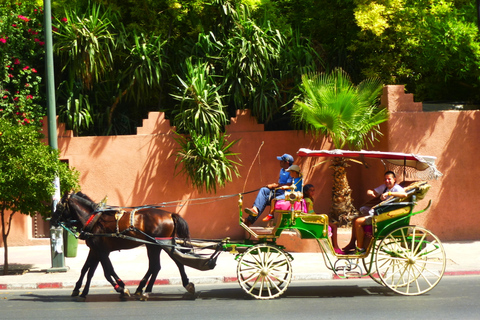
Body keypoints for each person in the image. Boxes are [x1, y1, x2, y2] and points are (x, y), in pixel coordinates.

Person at [343, 171, 407, 254]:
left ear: (394, 179)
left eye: (389, 179)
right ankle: (352, 243)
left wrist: (389, 193)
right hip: (380, 213)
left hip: (386, 215)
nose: (387, 181)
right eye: (385, 179)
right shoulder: (384, 187)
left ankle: (360, 248)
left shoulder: (397, 188)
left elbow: (404, 195)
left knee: (358, 222)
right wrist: (370, 192)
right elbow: (373, 190)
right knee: (355, 219)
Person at [244, 153, 294, 225]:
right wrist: (275, 186)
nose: (280, 162)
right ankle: (254, 211)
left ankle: (249, 221)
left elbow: (289, 184)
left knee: (264, 199)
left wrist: (274, 186)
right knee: (263, 190)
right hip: (278, 191)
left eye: (281, 161)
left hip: (285, 194)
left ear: (287, 162)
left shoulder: (291, 171)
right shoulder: (282, 170)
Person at [303, 184, 343, 254]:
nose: (312, 192)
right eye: (310, 190)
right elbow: (307, 212)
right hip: (313, 218)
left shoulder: (309, 199)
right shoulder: (307, 200)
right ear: (306, 192)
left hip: (314, 216)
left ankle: (335, 247)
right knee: (334, 226)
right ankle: (336, 247)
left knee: (333, 225)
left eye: (313, 190)